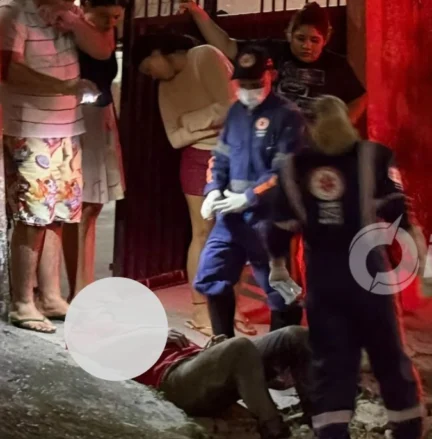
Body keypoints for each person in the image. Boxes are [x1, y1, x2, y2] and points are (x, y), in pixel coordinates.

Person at [263, 96, 431, 439]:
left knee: (333, 364)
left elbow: (277, 231)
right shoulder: (373, 157)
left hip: (324, 278)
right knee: (390, 357)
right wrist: (423, 261)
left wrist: (278, 269)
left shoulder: (292, 168)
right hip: (368, 275)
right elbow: (403, 217)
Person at [134, 33, 257, 336]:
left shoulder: (204, 55)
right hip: (197, 159)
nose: (151, 76)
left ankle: (231, 305)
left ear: (157, 51)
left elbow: (233, 107)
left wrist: (192, 121)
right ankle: (200, 308)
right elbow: (175, 139)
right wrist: (209, 118)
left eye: (148, 67)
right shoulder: (165, 89)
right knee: (202, 231)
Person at [1, 0, 112, 333]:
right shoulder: (13, 10)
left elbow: (103, 52)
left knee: (59, 215)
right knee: (32, 216)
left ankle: (50, 296)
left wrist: (73, 21)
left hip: (68, 125)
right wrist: (64, 87)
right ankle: (23, 302)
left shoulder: (69, 12)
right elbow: (7, 67)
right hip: (30, 126)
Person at [194, 45, 306, 338]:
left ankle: (283, 357)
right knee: (212, 276)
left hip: (269, 219)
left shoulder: (288, 116)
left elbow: (284, 169)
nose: (249, 91)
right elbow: (221, 156)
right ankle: (223, 346)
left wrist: (250, 197)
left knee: (281, 289)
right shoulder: (236, 113)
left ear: (271, 76)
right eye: (243, 85)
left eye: (256, 84)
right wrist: (213, 190)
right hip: (230, 217)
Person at [135, 326, 314, 439]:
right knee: (239, 347)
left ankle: (317, 425)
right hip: (172, 378)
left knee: (293, 335)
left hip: (198, 362)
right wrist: (151, 334)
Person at [179, 0, 366, 124]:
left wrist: (342, 124)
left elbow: (360, 97)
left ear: (326, 39)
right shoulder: (273, 51)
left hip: (315, 146)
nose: (307, 46)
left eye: (314, 40)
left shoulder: (337, 65)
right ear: (289, 34)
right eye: (300, 38)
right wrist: (197, 11)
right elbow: (227, 46)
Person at [62, 0, 127, 300]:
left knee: (93, 205)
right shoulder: (71, 25)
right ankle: (77, 287)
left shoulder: (105, 31)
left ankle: (84, 285)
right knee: (78, 205)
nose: (110, 22)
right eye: (104, 15)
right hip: (76, 117)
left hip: (100, 118)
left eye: (116, 16)